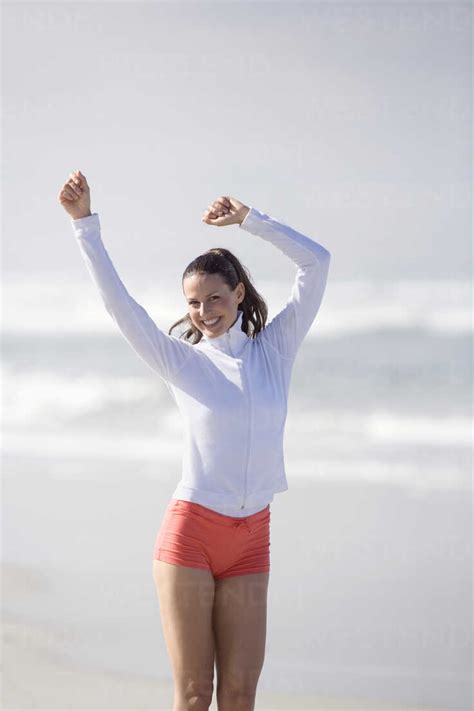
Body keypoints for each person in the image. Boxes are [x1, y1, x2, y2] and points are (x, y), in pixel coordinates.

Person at [58, 170, 331, 711]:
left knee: (239, 695)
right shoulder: (183, 363)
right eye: (193, 303)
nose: (203, 312)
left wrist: (250, 220)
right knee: (193, 696)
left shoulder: (274, 352)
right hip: (192, 536)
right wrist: (85, 225)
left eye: (214, 298)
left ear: (238, 294)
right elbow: (121, 306)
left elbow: (316, 263)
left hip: (253, 537)